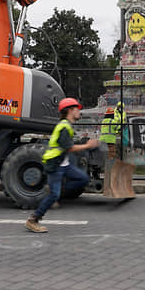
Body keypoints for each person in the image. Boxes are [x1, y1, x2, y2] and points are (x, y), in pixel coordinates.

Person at [26, 97, 98, 233]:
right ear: (70, 110)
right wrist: (87, 145)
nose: (79, 112)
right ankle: (33, 220)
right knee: (54, 195)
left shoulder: (66, 125)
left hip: (64, 164)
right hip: (55, 165)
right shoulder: (64, 127)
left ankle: (55, 190)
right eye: (77, 109)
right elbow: (69, 148)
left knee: (83, 179)